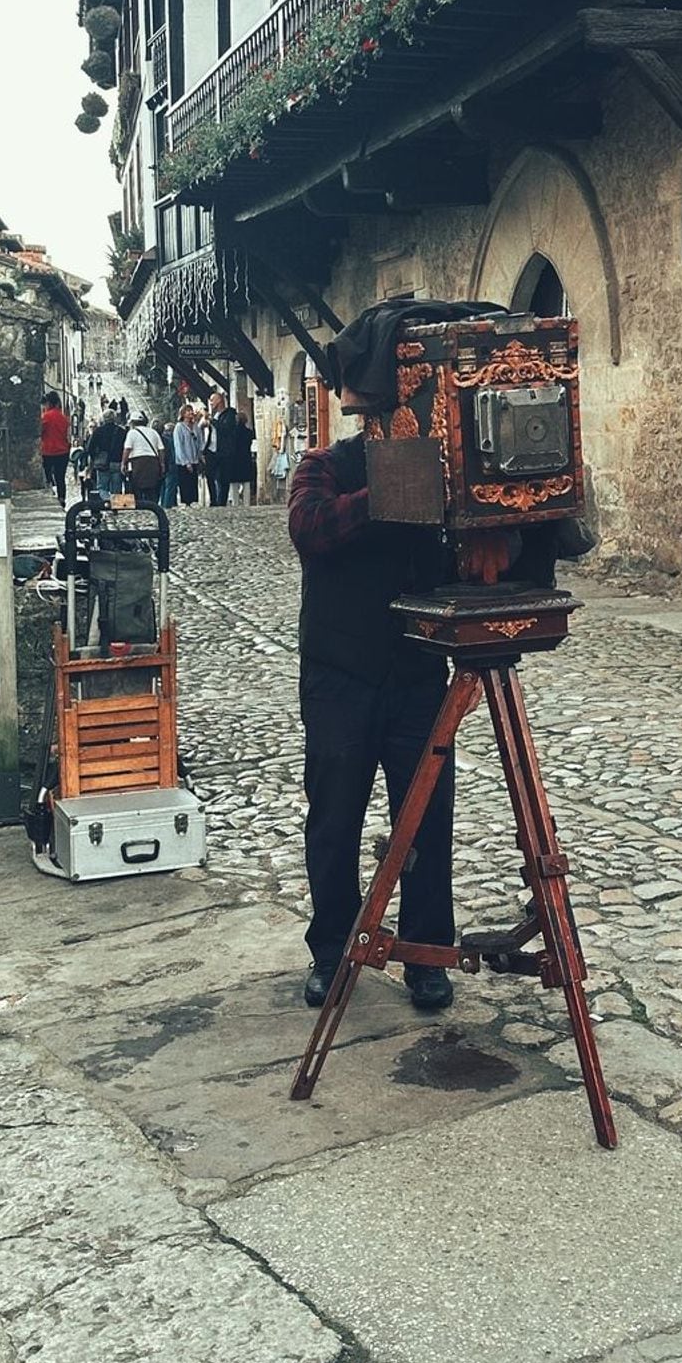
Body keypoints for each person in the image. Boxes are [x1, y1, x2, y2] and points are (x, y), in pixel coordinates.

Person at [288, 397, 457, 1013]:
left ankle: (426, 952)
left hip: (415, 672)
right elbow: (309, 527)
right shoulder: (325, 466)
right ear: (373, 426)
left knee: (427, 816)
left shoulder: (443, 472)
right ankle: (331, 952)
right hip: (340, 675)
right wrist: (387, 490)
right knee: (335, 819)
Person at [121, 411, 164, 505]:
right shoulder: (153, 432)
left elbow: (127, 449)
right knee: (151, 485)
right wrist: (162, 464)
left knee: (137, 485)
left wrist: (123, 463)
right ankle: (152, 505)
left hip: (137, 462)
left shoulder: (132, 433)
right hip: (152, 461)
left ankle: (139, 504)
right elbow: (161, 449)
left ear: (132, 423)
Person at [39, 390, 71, 510]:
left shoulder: (46, 416)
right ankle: (62, 499)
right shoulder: (63, 418)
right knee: (60, 477)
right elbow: (66, 436)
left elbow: (40, 432)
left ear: (48, 403)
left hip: (48, 451)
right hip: (62, 452)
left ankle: (49, 495)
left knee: (47, 476)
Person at [86, 407, 126, 497]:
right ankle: (115, 508)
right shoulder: (121, 431)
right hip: (117, 462)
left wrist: (95, 458)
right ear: (115, 418)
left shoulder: (98, 431)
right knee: (117, 489)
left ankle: (106, 504)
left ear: (103, 419)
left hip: (102, 463)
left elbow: (89, 448)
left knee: (102, 488)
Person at [173, 405, 204, 504]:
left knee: (193, 482)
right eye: (187, 411)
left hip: (194, 459)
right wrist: (186, 462)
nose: (190, 412)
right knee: (185, 483)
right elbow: (179, 446)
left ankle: (194, 501)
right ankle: (186, 502)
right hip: (184, 462)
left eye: (191, 410)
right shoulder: (179, 427)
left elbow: (200, 441)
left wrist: (200, 456)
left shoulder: (195, 426)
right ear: (183, 414)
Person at [227, 410, 256, 507]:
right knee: (246, 482)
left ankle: (235, 503)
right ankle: (246, 503)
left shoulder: (232, 433)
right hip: (245, 458)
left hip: (234, 459)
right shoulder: (249, 433)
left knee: (234, 484)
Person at [158, 422, 178, 507]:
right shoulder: (171, 440)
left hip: (160, 465)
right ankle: (167, 505)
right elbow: (173, 453)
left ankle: (163, 504)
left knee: (163, 487)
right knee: (170, 487)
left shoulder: (158, 439)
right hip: (170, 465)